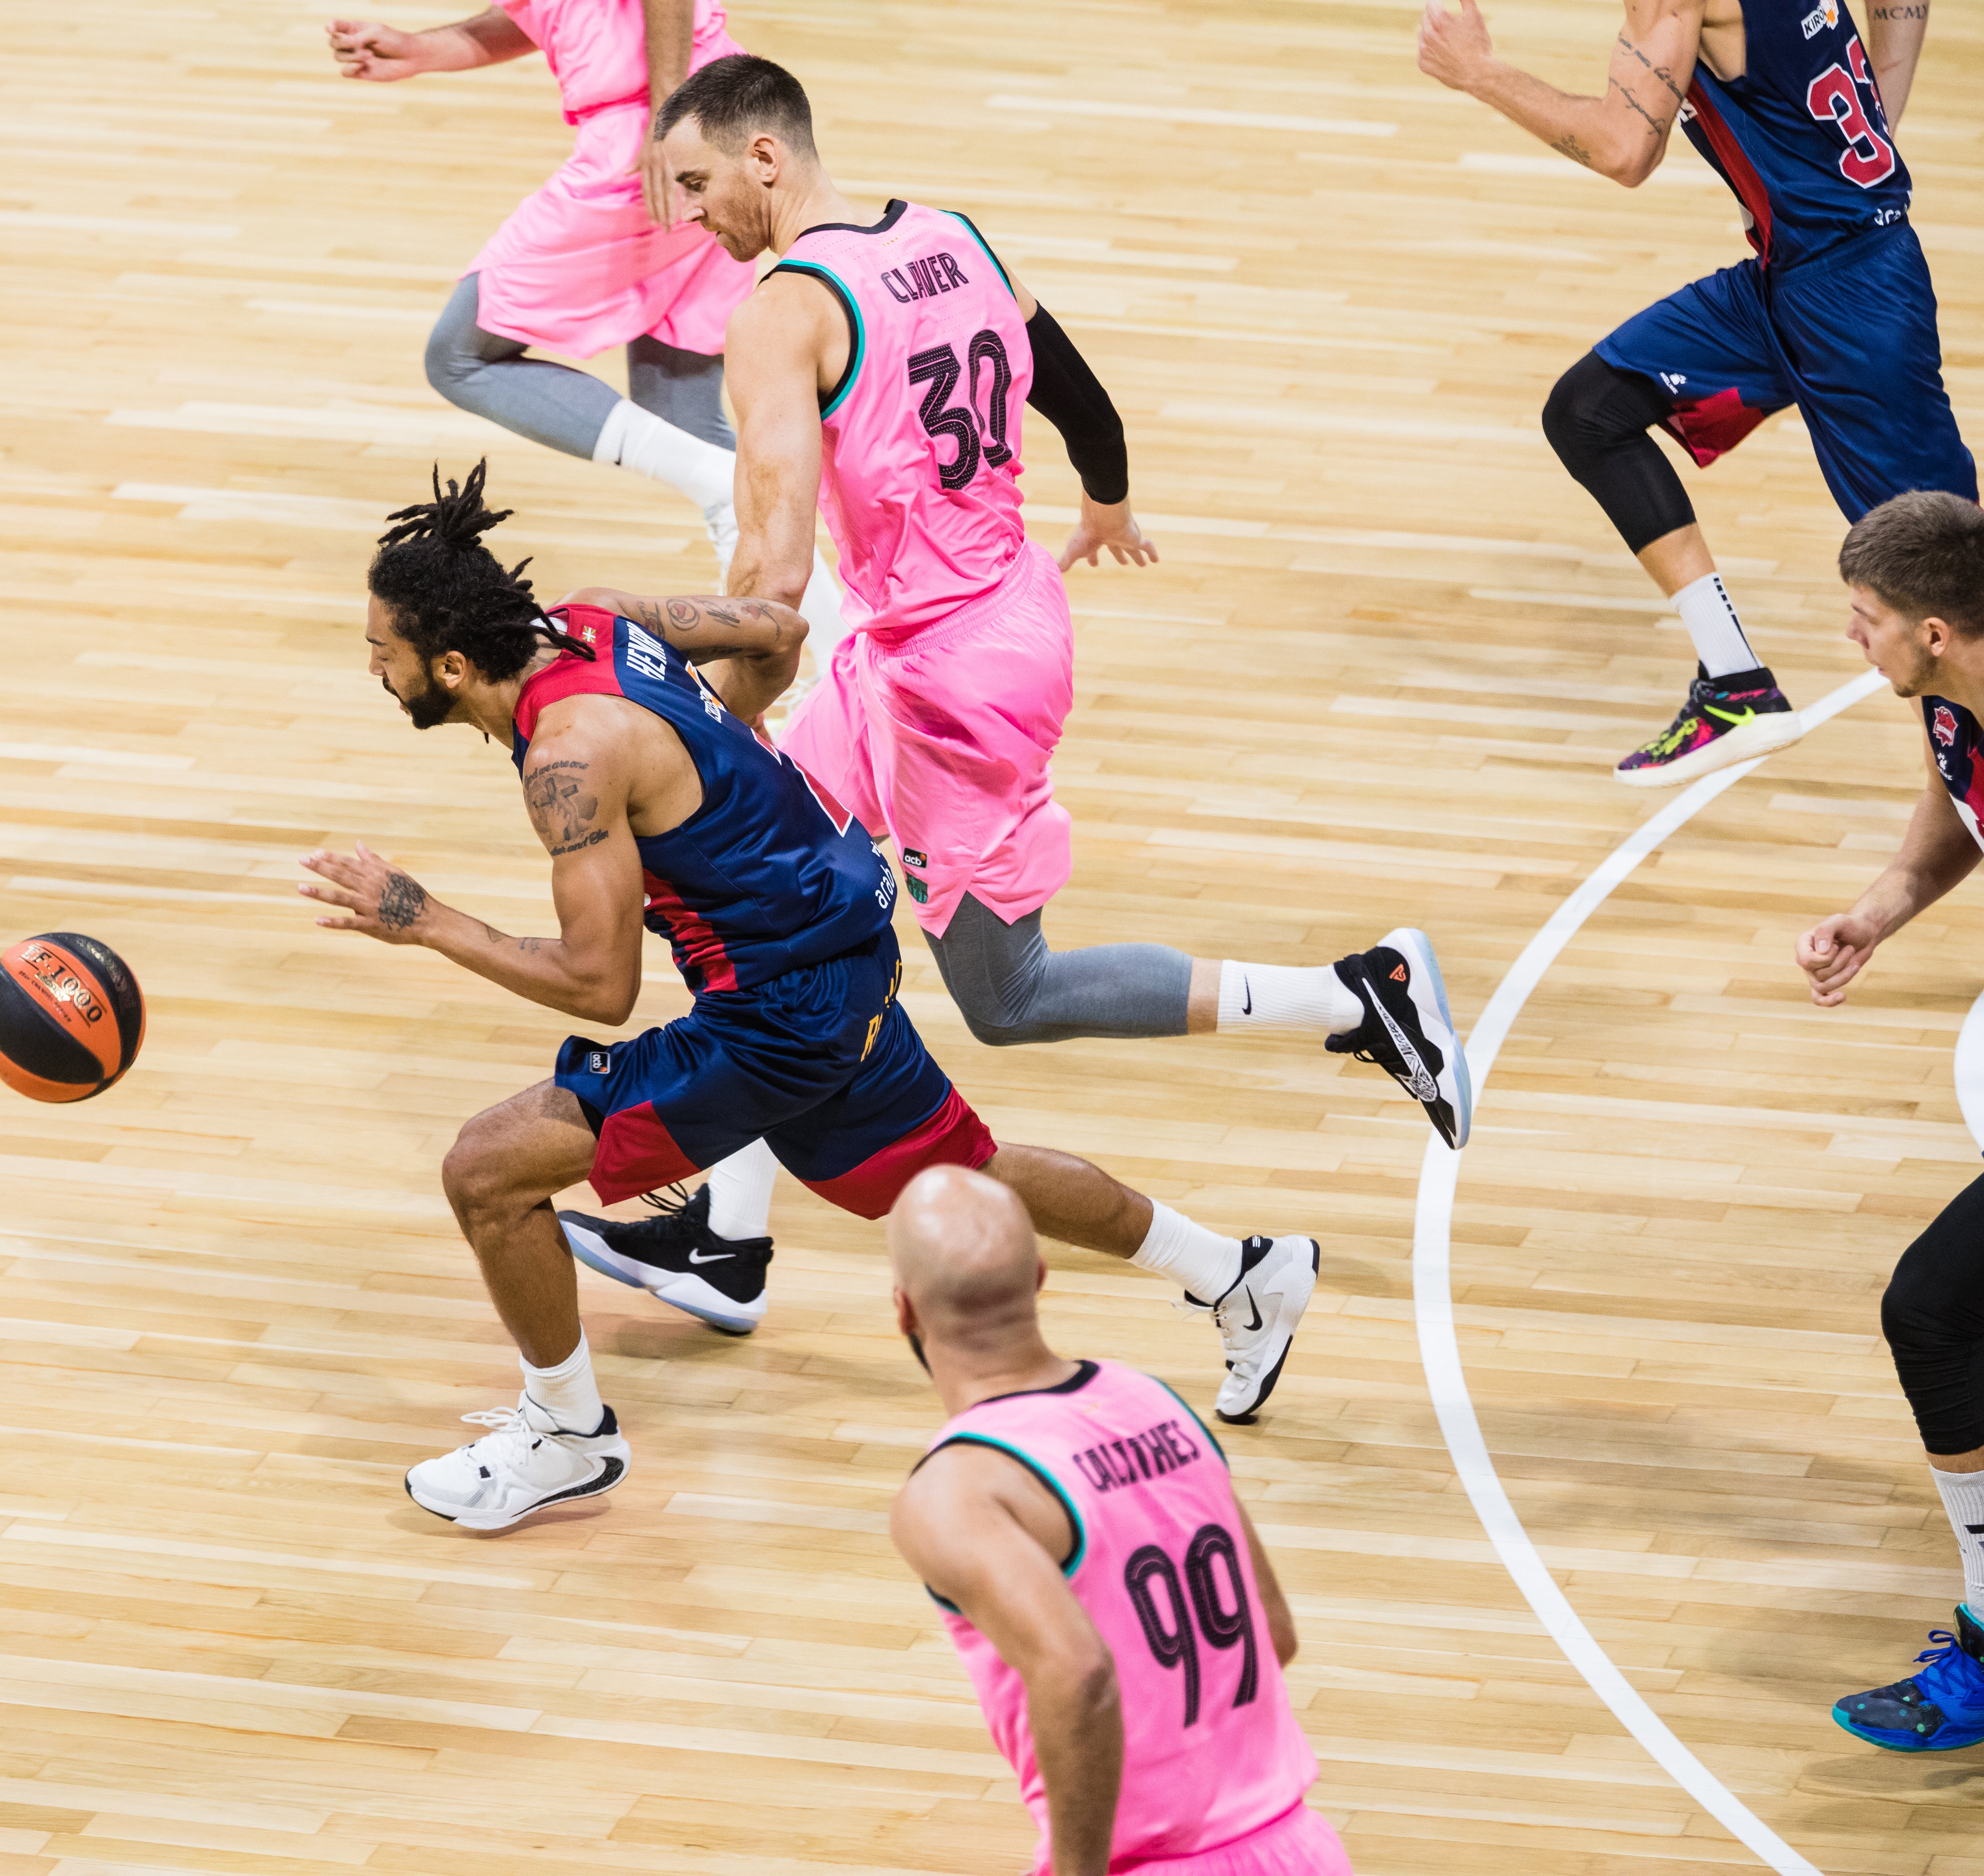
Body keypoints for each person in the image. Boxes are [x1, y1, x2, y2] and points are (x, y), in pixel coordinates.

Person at [559, 55, 1473, 1415]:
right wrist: (1105, 499)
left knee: (1007, 996)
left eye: (693, 185)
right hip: (940, 638)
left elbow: (773, 564)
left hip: (950, 677)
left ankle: (1358, 995)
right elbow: (1073, 388)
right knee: (745, 903)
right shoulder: (952, 239)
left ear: (764, 159)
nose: (690, 218)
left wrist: (697, 717)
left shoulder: (782, 313)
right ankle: (730, 1242)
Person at [299, 464, 1328, 1529]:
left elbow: (598, 988)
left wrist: (421, 917)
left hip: (777, 1012)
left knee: (487, 1171)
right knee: (955, 1177)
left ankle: (564, 1435)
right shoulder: (594, 621)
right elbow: (777, 629)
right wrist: (723, 753)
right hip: (841, 945)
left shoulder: (568, 758)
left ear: (455, 665)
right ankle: (1238, 1271)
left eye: (385, 650)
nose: (375, 666)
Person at [1417, 0, 1979, 786]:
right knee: (1590, 412)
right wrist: (1879, 103)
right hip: (1789, 277)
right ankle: (1735, 684)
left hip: (1856, 300)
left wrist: (1480, 72)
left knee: (1957, 586)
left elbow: (1624, 149)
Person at [1794, 491, 1984, 1751]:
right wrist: (1880, 909)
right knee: (1936, 1305)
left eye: (1866, 623)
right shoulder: (1961, 693)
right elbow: (1963, 814)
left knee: (1930, 1306)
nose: (1855, 641)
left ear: (1934, 631)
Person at [324, 0, 845, 640]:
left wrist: (666, 122)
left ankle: (748, 548)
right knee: (679, 418)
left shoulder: (663, 125)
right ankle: (830, 644)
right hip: (708, 118)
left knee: (459, 356)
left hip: (652, 136)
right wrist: (429, 48)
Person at [885, 1166, 1353, 1874]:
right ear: (1040, 1277)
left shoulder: (957, 1489)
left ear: (904, 1311)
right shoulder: (1152, 1401)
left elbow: (1078, 1675)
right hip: (1299, 1848)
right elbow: (1273, 1631)